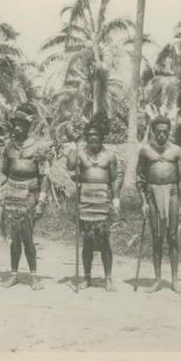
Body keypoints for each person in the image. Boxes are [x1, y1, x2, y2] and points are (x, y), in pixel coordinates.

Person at [0, 104, 49, 290]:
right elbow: (5, 173)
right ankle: (14, 275)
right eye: (14, 124)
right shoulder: (9, 148)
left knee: (27, 236)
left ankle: (34, 277)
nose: (16, 128)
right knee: (14, 237)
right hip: (11, 194)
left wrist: (41, 201)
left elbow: (44, 176)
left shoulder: (38, 148)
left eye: (20, 124)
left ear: (28, 126)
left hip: (30, 193)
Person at [66, 113, 120, 292]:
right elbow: (70, 166)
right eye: (89, 136)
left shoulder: (110, 156)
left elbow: (114, 179)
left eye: (96, 135)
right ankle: (87, 277)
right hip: (85, 199)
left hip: (103, 199)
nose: (92, 138)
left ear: (102, 136)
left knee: (105, 240)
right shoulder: (81, 154)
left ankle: (108, 278)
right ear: (86, 138)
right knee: (87, 241)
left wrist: (116, 199)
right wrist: (73, 144)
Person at [136, 115, 181, 294]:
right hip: (152, 194)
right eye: (159, 131)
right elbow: (139, 177)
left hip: (172, 193)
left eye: (165, 131)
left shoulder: (176, 151)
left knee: (172, 237)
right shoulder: (145, 151)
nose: (162, 135)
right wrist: (143, 202)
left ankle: (174, 280)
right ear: (153, 131)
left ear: (169, 131)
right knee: (157, 237)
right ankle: (157, 280)